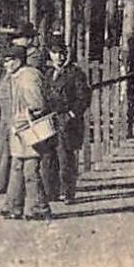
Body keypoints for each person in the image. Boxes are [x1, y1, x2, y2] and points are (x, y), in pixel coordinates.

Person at [2, 39, 54, 220]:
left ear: (18, 60)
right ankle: (13, 206)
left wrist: (20, 120)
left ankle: (39, 208)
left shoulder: (28, 77)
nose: (5, 64)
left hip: (30, 130)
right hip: (19, 130)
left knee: (30, 170)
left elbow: (37, 105)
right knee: (17, 167)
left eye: (9, 60)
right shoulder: (15, 76)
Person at [0, 24, 35, 196]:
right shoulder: (12, 57)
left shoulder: (33, 58)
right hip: (6, 107)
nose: (15, 41)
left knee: (21, 150)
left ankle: (15, 189)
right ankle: (0, 183)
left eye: (20, 37)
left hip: (19, 108)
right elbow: (5, 80)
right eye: (15, 38)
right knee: (3, 146)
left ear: (29, 39)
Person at [41, 35, 90, 204]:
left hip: (68, 122)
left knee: (66, 158)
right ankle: (51, 192)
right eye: (55, 53)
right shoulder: (48, 74)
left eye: (62, 53)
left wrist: (71, 115)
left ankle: (68, 193)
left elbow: (83, 98)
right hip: (50, 120)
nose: (59, 57)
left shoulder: (75, 73)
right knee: (48, 157)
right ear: (49, 54)